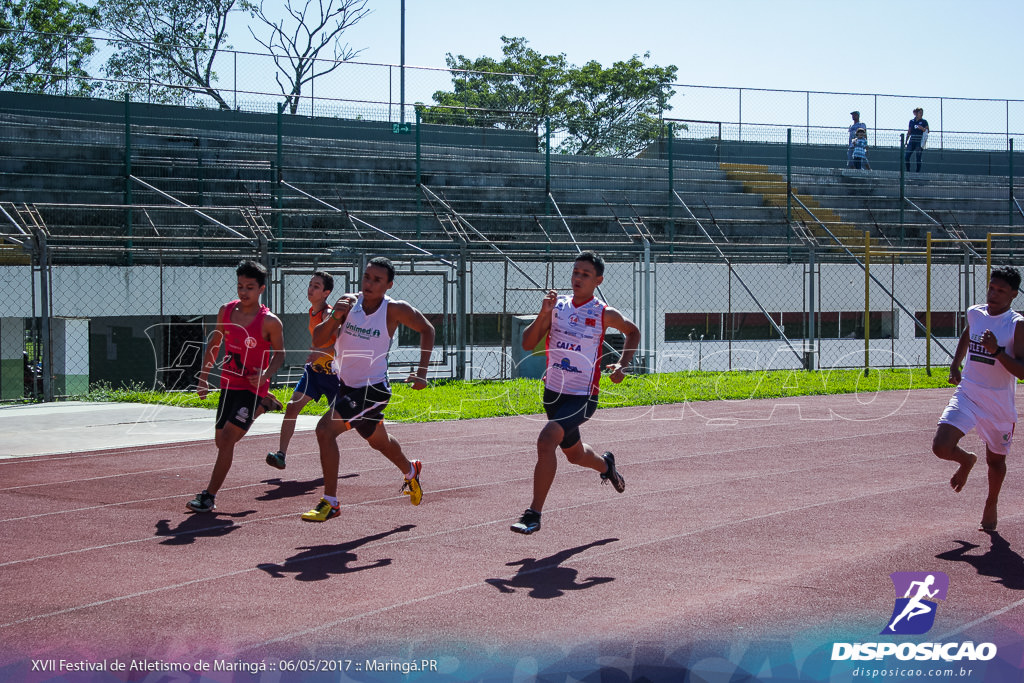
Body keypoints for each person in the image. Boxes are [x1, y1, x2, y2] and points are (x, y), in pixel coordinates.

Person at [510, 251, 641, 535]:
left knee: (546, 440)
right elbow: (529, 342)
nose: (578, 278)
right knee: (575, 454)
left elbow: (633, 332)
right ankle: (606, 466)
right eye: (575, 272)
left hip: (583, 397)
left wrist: (622, 363)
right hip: (553, 393)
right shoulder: (557, 307)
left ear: (598, 280)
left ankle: (534, 514)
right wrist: (543, 313)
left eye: (585, 274)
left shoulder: (603, 312)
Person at [301, 257, 435, 522]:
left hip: (372, 390)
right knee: (379, 443)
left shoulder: (394, 309)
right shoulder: (348, 303)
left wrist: (421, 373)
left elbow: (427, 329)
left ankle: (330, 502)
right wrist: (336, 316)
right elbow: (318, 339)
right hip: (345, 385)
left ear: (389, 285)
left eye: (377, 280)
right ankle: (411, 471)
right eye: (366, 277)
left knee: (325, 430)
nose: (369, 283)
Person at [186, 260, 285, 513]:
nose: (243, 292)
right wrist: (203, 377)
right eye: (240, 286)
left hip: (253, 387)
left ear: (261, 288)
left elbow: (280, 355)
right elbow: (215, 343)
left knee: (228, 439)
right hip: (229, 383)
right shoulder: (226, 311)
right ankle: (263, 407)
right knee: (221, 441)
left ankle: (209, 496)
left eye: (250, 287)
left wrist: (265, 375)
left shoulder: (270, 322)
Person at [932, 266, 1024, 532]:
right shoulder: (976, 312)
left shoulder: (1016, 325)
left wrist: (997, 351)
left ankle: (991, 500)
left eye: (1001, 291)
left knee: (995, 461)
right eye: (991, 288)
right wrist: (955, 364)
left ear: (1013, 295)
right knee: (941, 446)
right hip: (969, 393)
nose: (993, 294)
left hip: (999, 405)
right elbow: (968, 333)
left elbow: (1022, 371)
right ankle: (966, 460)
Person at [266, 270, 338, 470]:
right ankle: (281, 454)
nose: (311, 289)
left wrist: (321, 352)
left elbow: (343, 345)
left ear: (326, 293)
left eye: (316, 286)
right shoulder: (311, 311)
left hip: (334, 376)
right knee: (291, 407)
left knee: (348, 421)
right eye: (310, 284)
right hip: (314, 373)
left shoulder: (329, 315)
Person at [905, 107, 930, 172]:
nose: (921, 114)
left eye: (922, 113)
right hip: (912, 140)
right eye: (920, 113)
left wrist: (922, 128)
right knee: (906, 156)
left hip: (919, 140)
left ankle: (917, 172)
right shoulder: (911, 121)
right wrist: (906, 141)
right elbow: (909, 131)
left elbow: (927, 130)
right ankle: (908, 171)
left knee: (918, 157)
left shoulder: (924, 121)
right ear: (916, 113)